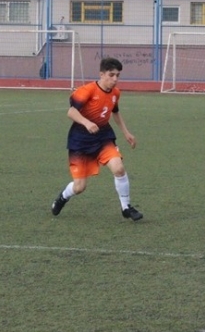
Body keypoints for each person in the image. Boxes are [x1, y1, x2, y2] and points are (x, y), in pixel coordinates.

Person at [51, 57, 143, 221]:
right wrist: (86, 122)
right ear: (101, 74)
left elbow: (115, 112)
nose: (115, 79)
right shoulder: (87, 90)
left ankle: (126, 207)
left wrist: (126, 132)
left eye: (118, 76)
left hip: (103, 137)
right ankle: (63, 198)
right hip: (80, 140)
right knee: (79, 187)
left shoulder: (116, 93)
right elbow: (71, 112)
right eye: (111, 75)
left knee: (119, 168)